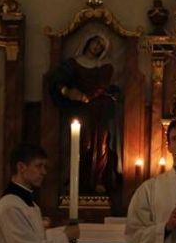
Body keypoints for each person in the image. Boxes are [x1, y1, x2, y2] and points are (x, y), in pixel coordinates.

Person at [49, 33, 123, 195]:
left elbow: (102, 86)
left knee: (101, 144)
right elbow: (56, 80)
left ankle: (98, 179)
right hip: (80, 111)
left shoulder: (105, 66)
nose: (97, 47)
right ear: (88, 41)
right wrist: (67, 91)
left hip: (101, 111)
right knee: (82, 144)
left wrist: (87, 96)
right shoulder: (73, 64)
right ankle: (77, 180)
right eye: (96, 42)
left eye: (101, 46)